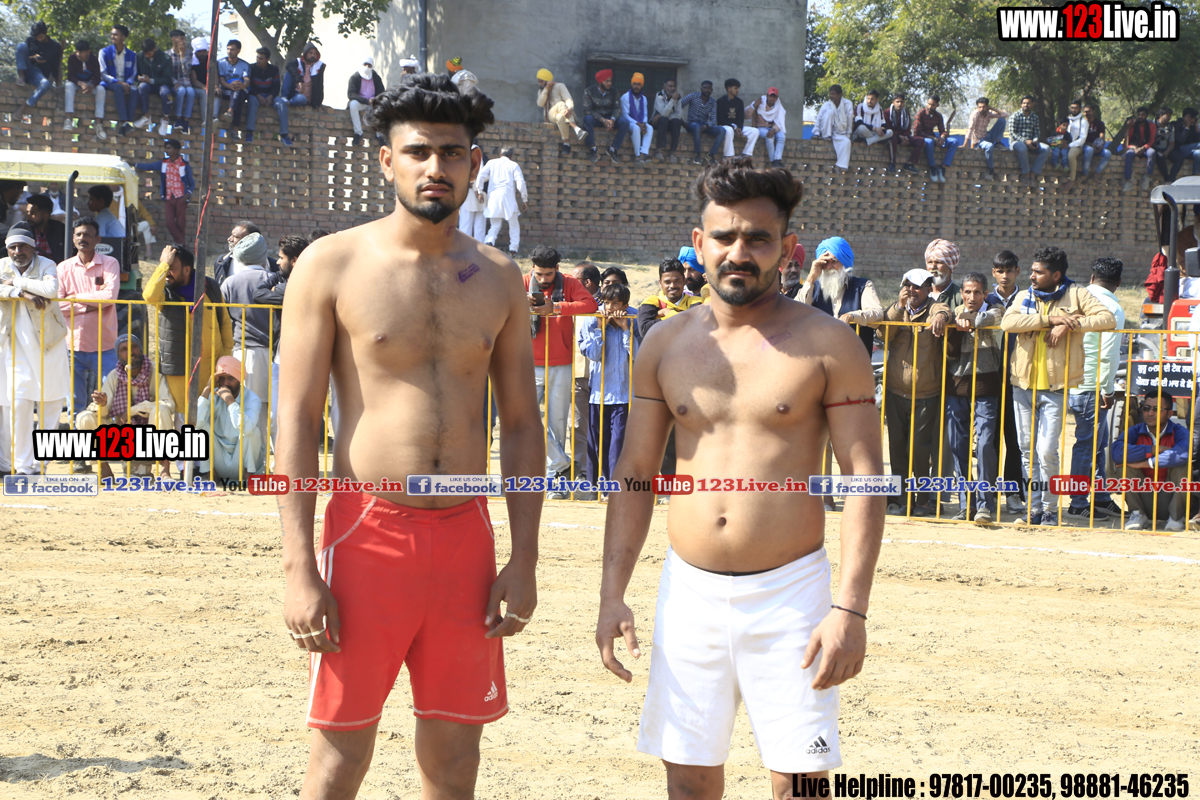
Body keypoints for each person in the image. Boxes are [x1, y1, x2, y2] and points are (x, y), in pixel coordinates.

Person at [276, 73, 543, 799]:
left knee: (455, 763)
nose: (436, 168)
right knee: (339, 760)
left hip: (465, 541)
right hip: (367, 534)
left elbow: (522, 424)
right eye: (419, 151)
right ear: (386, 160)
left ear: (474, 164)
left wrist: (524, 556)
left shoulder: (499, 277)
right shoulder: (331, 264)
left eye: (452, 153)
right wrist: (300, 568)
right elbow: (296, 420)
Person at [596, 157, 884, 800]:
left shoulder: (829, 344)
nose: (739, 252)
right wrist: (613, 593)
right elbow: (635, 473)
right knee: (688, 783)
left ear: (787, 246)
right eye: (724, 237)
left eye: (757, 238)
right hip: (688, 593)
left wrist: (850, 608)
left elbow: (865, 476)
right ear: (699, 243)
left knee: (800, 783)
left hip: (792, 595)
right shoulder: (663, 344)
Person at [1000, 246, 1116, 526]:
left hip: (1055, 388)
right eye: (1032, 271)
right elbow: (1008, 322)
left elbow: (1107, 318)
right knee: (1027, 452)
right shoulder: (1026, 296)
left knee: (1047, 451)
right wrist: (1049, 320)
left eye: (1038, 272)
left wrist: (1069, 324)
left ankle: (1051, 509)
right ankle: (1034, 509)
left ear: (1055, 275)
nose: (1032, 276)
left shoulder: (1076, 293)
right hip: (1022, 385)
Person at [524, 244, 598, 497]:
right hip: (528, 362)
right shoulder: (522, 282)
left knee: (557, 423)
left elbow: (589, 304)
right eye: (539, 274)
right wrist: (521, 303)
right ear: (532, 268)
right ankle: (562, 463)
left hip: (562, 362)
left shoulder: (568, 282)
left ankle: (554, 481)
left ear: (557, 268)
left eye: (548, 274)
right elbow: (499, 305)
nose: (543, 279)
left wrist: (555, 308)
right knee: (525, 418)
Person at [881, 268, 952, 516]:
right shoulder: (896, 310)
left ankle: (923, 501)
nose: (911, 291)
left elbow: (944, 310)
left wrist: (941, 316)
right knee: (897, 448)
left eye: (917, 287)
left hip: (926, 393)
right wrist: (898, 308)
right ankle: (901, 500)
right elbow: (883, 334)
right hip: (895, 391)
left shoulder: (933, 307)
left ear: (928, 289)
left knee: (921, 449)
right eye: (908, 286)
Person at [0, 224, 70, 476]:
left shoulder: (47, 264)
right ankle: (23, 466)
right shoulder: (2, 265)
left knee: (51, 408)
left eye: (22, 246)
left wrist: (15, 281)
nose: (17, 251)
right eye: (12, 247)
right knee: (19, 406)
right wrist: (23, 292)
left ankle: (40, 466)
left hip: (49, 345)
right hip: (14, 349)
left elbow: (51, 290)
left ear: (33, 247)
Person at [1062, 257, 1126, 523]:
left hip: (1070, 381)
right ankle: (1078, 503)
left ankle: (1100, 497)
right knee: (1088, 447)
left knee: (1096, 445)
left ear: (1091, 278)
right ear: (1119, 282)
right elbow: (1108, 355)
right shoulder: (1113, 308)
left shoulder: (1076, 299)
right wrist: (1108, 389)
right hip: (1092, 386)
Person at [142, 245, 234, 426]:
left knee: (209, 417)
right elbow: (149, 296)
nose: (167, 273)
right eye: (166, 268)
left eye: (172, 268)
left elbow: (224, 322)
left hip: (210, 367)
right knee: (183, 419)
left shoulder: (209, 287)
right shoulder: (165, 291)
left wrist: (225, 358)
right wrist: (163, 265)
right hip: (179, 368)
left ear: (186, 269)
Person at [56, 217, 120, 461]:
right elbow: (57, 304)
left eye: (87, 234)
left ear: (97, 239)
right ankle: (80, 454)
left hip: (105, 345)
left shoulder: (110, 263)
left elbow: (110, 297)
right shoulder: (63, 268)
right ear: (73, 239)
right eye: (79, 234)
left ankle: (108, 451)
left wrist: (74, 299)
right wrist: (91, 304)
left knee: (108, 399)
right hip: (71, 345)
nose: (82, 238)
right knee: (75, 402)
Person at [943, 272, 1003, 522]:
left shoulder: (995, 310)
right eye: (967, 291)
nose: (972, 296)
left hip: (986, 389)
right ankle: (965, 504)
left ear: (985, 293)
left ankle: (985, 504)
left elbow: (988, 318)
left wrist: (969, 319)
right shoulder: (951, 313)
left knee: (986, 444)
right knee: (958, 446)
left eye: (977, 292)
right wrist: (955, 324)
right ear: (961, 293)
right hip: (957, 388)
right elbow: (950, 352)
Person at [74, 333, 174, 479]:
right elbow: (101, 413)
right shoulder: (114, 375)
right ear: (118, 355)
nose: (130, 352)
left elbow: (168, 403)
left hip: (149, 439)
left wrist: (131, 411)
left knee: (162, 410)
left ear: (141, 350)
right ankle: (104, 469)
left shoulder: (155, 372)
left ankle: (165, 469)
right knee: (84, 417)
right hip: (121, 437)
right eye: (124, 349)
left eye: (134, 347)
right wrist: (103, 404)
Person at [577, 282, 637, 486]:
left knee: (618, 442)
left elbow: (637, 355)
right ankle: (597, 486)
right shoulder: (592, 320)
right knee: (598, 443)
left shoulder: (633, 319)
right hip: (599, 394)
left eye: (615, 303)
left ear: (625, 305)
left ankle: (614, 485)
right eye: (607, 303)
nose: (610, 308)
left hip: (623, 394)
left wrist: (625, 329)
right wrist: (600, 328)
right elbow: (593, 355)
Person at [221, 232, 275, 448]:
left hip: (243, 352)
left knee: (249, 408)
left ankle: (254, 457)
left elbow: (224, 319)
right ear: (264, 256)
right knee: (273, 408)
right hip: (276, 352)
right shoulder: (274, 280)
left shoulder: (230, 283)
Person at [252, 234, 307, 443]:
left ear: (294, 261)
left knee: (300, 416)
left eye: (281, 258)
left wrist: (283, 292)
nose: (276, 262)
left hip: (304, 358)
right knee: (275, 416)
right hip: (279, 357)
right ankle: (279, 457)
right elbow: (259, 294)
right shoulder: (279, 277)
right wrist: (288, 293)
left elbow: (305, 294)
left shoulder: (311, 278)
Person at [1111, 393, 1189, 532]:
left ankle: (1176, 518)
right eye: (1146, 408)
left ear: (1170, 413)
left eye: (1157, 409)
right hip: (1144, 496)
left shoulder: (1179, 431)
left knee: (1183, 465)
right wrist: (1153, 449)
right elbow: (1117, 453)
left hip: (1169, 496)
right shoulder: (1134, 431)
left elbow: (1182, 455)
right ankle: (1137, 515)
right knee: (1123, 465)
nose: (1150, 413)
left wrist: (1146, 463)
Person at [986, 250, 1027, 514]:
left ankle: (1012, 493)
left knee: (1015, 440)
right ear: (994, 272)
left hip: (1018, 379)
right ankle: (987, 494)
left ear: (1017, 272)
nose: (1005, 276)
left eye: (1009, 270)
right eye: (1000, 271)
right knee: (988, 441)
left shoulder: (1027, 300)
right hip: (989, 379)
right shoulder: (985, 299)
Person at [796, 236, 881, 352]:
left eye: (834, 261)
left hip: (854, 357)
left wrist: (851, 316)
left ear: (844, 262)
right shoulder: (813, 287)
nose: (829, 266)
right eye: (825, 262)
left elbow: (877, 313)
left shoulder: (863, 286)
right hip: (820, 356)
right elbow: (796, 312)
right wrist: (811, 277)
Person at [197, 355, 265, 479]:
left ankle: (248, 477)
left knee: (252, 432)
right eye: (222, 378)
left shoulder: (252, 398)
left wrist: (230, 401)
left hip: (243, 461)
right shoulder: (213, 394)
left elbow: (247, 429)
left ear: (239, 379)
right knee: (200, 429)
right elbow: (196, 423)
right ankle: (210, 474)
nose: (225, 383)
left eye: (230, 378)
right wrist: (207, 389)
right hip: (219, 459)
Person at [135, 139, 194, 246]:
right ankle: (182, 244)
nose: (166, 150)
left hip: (181, 198)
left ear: (176, 150)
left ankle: (180, 246)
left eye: (169, 148)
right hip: (169, 198)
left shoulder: (184, 164)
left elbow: (192, 183)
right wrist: (134, 164)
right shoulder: (164, 163)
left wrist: (186, 196)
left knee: (181, 224)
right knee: (169, 222)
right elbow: (149, 167)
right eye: (166, 148)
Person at [475, 147, 527, 258]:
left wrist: (479, 191)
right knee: (513, 225)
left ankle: (489, 242)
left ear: (500, 154)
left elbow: (480, 176)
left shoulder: (491, 163)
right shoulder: (513, 165)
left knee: (495, 225)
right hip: (508, 199)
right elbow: (520, 184)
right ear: (511, 156)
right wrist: (524, 199)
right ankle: (513, 249)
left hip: (494, 198)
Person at [637, 258, 704, 340]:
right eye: (667, 282)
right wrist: (678, 316)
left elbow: (695, 324)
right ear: (660, 283)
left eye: (677, 281)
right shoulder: (652, 301)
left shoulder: (695, 301)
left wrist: (667, 313)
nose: (672, 286)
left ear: (684, 281)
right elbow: (644, 330)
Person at [275, 43, 325, 148]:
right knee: (290, 72)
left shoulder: (319, 66)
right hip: (294, 94)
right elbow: (289, 66)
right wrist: (299, 81)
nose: (313, 55)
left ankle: (288, 103)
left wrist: (318, 102)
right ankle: (284, 98)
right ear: (305, 53)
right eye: (310, 53)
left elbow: (320, 85)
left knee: (302, 99)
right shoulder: (297, 62)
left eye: (315, 53)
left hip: (304, 98)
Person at [582, 69, 629, 164]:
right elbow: (587, 110)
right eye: (607, 81)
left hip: (610, 118)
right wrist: (602, 120)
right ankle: (592, 148)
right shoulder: (589, 91)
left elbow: (618, 108)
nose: (609, 83)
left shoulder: (614, 91)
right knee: (587, 119)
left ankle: (613, 149)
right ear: (600, 81)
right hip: (597, 118)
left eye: (610, 81)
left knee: (625, 122)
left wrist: (612, 120)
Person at [65, 39, 107, 141]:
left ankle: (98, 122)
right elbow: (70, 76)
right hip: (76, 83)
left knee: (101, 89)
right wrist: (80, 83)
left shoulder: (94, 60)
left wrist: (91, 86)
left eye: (81, 52)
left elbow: (97, 78)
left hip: (89, 84)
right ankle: (68, 118)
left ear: (88, 52)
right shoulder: (72, 58)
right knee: (68, 86)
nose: (78, 54)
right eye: (77, 51)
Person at [101, 25, 140, 136]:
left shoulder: (132, 55)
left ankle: (126, 124)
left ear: (123, 37)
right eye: (112, 34)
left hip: (126, 83)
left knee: (134, 91)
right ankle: (124, 121)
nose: (113, 37)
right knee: (118, 88)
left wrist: (127, 84)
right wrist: (119, 83)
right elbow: (103, 74)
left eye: (116, 34)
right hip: (110, 83)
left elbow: (133, 74)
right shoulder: (104, 52)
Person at [910, 94, 958, 183]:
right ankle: (932, 168)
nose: (929, 106)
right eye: (928, 104)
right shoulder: (920, 114)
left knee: (954, 142)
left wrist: (942, 137)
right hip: (923, 138)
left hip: (934, 138)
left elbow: (942, 130)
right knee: (929, 142)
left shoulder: (938, 116)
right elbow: (917, 132)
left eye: (932, 105)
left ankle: (943, 167)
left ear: (937, 105)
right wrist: (934, 138)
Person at [213, 221, 278, 287]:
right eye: (231, 235)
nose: (229, 239)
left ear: (252, 241)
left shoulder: (274, 266)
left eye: (236, 237)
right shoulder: (221, 262)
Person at [536, 68, 584, 156]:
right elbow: (540, 103)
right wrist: (546, 89)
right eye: (538, 82)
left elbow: (568, 99)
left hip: (564, 114)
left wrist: (569, 109)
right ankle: (577, 129)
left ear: (547, 80)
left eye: (541, 81)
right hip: (551, 115)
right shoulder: (541, 91)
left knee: (561, 117)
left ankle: (566, 144)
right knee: (561, 104)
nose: (540, 84)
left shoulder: (559, 86)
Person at [680, 80, 725, 166]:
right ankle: (697, 153)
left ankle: (711, 155)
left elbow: (713, 120)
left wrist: (705, 127)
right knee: (696, 126)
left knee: (722, 130)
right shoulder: (693, 96)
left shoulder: (713, 102)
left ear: (711, 90)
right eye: (705, 88)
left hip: (704, 125)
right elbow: (678, 105)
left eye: (709, 88)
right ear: (701, 88)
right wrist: (682, 122)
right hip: (692, 124)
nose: (706, 90)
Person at [1008, 94, 1049, 188]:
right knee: (1022, 148)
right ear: (1021, 104)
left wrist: (1035, 141)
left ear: (1032, 104)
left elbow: (1036, 132)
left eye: (1028, 103)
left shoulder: (1035, 117)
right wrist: (1025, 141)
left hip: (1030, 142)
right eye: (1024, 103)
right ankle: (1026, 173)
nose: (1026, 105)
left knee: (1046, 148)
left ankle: (1033, 172)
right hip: (1016, 142)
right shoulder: (1015, 116)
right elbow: (1012, 133)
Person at [964, 97, 1008, 181]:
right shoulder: (975, 114)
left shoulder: (989, 113)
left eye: (984, 107)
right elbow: (970, 128)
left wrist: (992, 109)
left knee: (1002, 120)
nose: (981, 109)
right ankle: (991, 168)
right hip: (979, 141)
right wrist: (965, 143)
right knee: (989, 146)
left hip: (987, 136)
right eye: (979, 107)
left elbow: (1005, 115)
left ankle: (998, 143)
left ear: (987, 107)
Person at [136, 38, 174, 135]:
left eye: (149, 54)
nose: (147, 56)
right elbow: (135, 74)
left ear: (154, 49)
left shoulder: (166, 58)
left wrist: (151, 80)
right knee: (142, 87)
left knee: (166, 93)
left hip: (161, 84)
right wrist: (139, 78)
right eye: (145, 54)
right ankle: (146, 116)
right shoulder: (139, 57)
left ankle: (165, 119)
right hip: (146, 84)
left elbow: (167, 78)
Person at [21, 21, 62, 108]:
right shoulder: (30, 41)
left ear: (46, 33)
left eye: (41, 37)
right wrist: (33, 58)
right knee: (21, 46)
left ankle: (25, 106)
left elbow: (55, 66)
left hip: (42, 76)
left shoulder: (55, 46)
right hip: (29, 71)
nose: (38, 39)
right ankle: (21, 77)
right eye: (36, 37)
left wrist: (57, 82)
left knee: (45, 84)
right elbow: (22, 58)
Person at [813, 84, 855, 170]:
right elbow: (818, 120)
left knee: (847, 142)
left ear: (840, 95)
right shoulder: (826, 105)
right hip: (826, 132)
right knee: (830, 112)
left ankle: (840, 166)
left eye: (833, 94)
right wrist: (816, 133)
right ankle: (826, 136)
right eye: (830, 94)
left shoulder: (848, 104)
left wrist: (848, 135)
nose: (831, 96)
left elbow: (849, 120)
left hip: (840, 132)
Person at [716, 78, 758, 161]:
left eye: (738, 88)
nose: (737, 90)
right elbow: (720, 119)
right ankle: (728, 156)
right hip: (725, 126)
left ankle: (746, 154)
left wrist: (739, 128)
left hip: (736, 127)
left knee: (755, 131)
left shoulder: (739, 102)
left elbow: (740, 118)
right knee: (729, 130)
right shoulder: (720, 101)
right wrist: (734, 128)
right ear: (729, 89)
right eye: (735, 88)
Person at [244, 47, 281, 145]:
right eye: (257, 57)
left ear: (267, 59)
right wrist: (258, 96)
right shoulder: (251, 68)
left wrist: (270, 97)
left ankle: (284, 133)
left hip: (270, 96)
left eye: (261, 58)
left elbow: (276, 86)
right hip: (255, 95)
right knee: (252, 102)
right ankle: (249, 132)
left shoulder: (274, 69)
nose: (258, 60)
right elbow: (250, 85)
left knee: (281, 104)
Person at [348, 57, 384, 146]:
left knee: (382, 108)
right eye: (365, 65)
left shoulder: (376, 77)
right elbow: (351, 94)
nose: (367, 67)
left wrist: (375, 100)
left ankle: (380, 135)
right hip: (361, 102)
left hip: (373, 104)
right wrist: (366, 101)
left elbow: (382, 93)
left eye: (369, 65)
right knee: (353, 105)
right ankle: (358, 132)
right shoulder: (355, 77)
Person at [747, 87, 787, 167]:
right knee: (769, 137)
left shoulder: (778, 106)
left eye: (774, 97)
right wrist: (754, 105)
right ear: (767, 96)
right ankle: (773, 161)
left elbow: (779, 122)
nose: (772, 98)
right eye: (770, 96)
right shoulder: (760, 102)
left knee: (782, 137)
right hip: (760, 128)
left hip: (772, 128)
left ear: (776, 98)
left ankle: (777, 160)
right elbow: (746, 115)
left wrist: (774, 130)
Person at [1122, 106, 1157, 193]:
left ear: (1146, 116)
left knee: (1152, 152)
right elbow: (1126, 144)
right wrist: (1134, 147)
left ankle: (1148, 177)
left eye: (1143, 115)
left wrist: (1143, 148)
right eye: (1139, 115)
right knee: (1129, 154)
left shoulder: (1151, 125)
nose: (1141, 116)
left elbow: (1152, 140)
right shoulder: (1133, 125)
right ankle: (1128, 181)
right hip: (1133, 147)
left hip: (1145, 147)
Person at [216, 39, 250, 128]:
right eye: (228, 49)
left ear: (238, 50)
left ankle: (230, 111)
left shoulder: (244, 65)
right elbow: (222, 80)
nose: (229, 52)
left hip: (239, 89)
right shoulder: (221, 63)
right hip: (226, 89)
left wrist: (243, 85)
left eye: (232, 49)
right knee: (239, 96)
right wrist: (229, 86)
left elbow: (247, 80)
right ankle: (234, 127)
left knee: (238, 91)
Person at [621, 73, 654, 164]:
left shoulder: (644, 98)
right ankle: (637, 155)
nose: (636, 86)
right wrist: (637, 124)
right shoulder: (625, 97)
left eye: (639, 84)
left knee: (650, 128)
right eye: (634, 84)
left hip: (640, 121)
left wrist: (644, 123)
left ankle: (643, 153)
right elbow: (625, 115)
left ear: (642, 85)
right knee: (636, 128)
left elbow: (645, 114)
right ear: (631, 85)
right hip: (629, 122)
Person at [458, 144, 488, 241]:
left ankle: (464, 247)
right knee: (480, 227)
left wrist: (476, 189)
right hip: (482, 195)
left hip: (470, 194)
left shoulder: (466, 156)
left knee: (465, 225)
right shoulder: (484, 157)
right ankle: (479, 248)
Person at [23, 194, 65, 263]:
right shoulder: (25, 230)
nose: (28, 217)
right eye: (27, 212)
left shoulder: (60, 231)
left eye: (32, 213)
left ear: (46, 216)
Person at [1058, 99, 1089, 192]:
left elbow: (1082, 139)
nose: (1074, 110)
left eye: (1076, 108)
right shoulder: (1066, 120)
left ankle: (1072, 180)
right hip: (1064, 143)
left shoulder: (1083, 122)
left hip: (1077, 146)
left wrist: (1069, 145)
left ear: (1080, 109)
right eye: (1072, 108)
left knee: (1071, 155)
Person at [651, 78, 685, 163]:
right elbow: (664, 114)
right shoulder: (659, 95)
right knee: (663, 119)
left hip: (669, 122)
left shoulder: (678, 97)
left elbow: (678, 115)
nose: (672, 88)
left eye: (674, 86)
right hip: (656, 123)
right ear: (665, 87)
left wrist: (663, 115)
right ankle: (659, 150)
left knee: (677, 122)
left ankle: (672, 152)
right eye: (670, 86)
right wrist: (672, 100)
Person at [167, 30, 195, 132]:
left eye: (184, 39)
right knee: (181, 91)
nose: (184, 41)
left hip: (186, 82)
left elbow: (186, 72)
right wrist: (175, 82)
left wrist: (182, 55)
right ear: (174, 39)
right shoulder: (167, 54)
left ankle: (186, 120)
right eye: (181, 39)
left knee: (191, 92)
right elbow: (168, 73)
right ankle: (178, 119)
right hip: (174, 84)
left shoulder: (189, 53)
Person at [925, 238, 962, 310]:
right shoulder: (918, 293)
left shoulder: (961, 297)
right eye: (930, 262)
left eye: (938, 262)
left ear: (950, 266)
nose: (933, 267)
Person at [1080, 102, 1113, 181]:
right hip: (1085, 146)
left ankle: (1096, 174)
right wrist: (1091, 145)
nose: (1087, 113)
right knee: (1089, 150)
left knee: (1108, 153)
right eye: (1085, 112)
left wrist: (1100, 147)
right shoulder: (1081, 123)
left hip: (1096, 147)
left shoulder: (1099, 124)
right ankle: (1085, 174)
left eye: (1089, 111)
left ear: (1093, 111)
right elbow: (1079, 139)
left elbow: (1102, 137)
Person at [884, 92, 915, 173]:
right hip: (893, 136)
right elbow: (887, 129)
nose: (899, 104)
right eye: (897, 102)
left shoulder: (906, 114)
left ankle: (910, 163)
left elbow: (908, 129)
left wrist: (905, 137)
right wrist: (898, 136)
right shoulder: (887, 113)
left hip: (903, 137)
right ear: (893, 102)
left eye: (901, 102)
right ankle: (892, 164)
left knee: (921, 141)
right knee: (892, 139)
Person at [1168, 107, 1200, 181]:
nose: (1192, 120)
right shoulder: (1176, 124)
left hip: (1189, 151)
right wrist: (1187, 127)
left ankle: (1195, 175)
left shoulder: (1192, 127)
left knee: (1199, 153)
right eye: (1192, 118)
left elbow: (1197, 141)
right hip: (1178, 149)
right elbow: (1180, 140)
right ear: (1187, 117)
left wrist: (1196, 127)